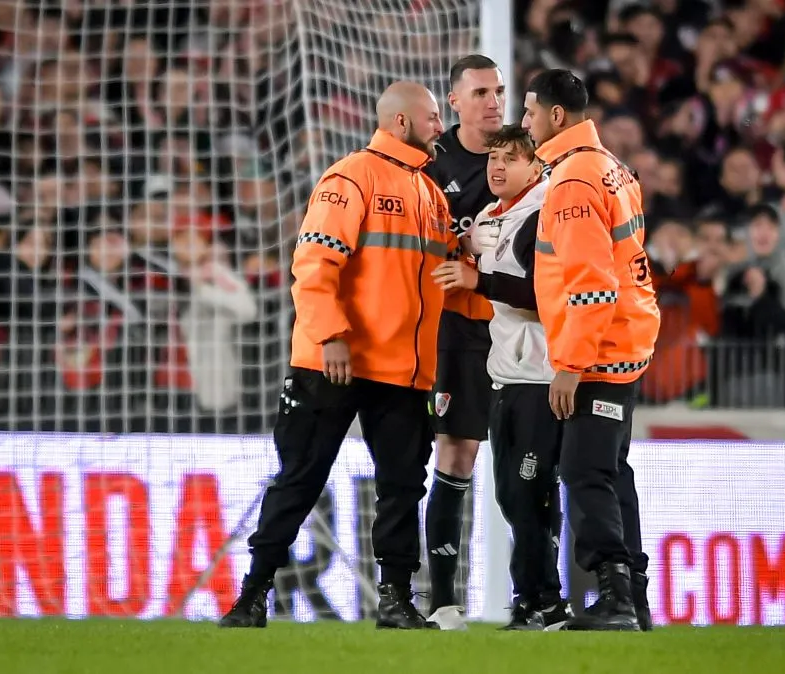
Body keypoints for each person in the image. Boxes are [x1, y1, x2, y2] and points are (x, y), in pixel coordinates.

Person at [219, 81, 472, 630]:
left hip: (403, 371)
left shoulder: (430, 194)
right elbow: (313, 265)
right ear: (401, 123)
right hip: (335, 361)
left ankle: (396, 599)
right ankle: (252, 595)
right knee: (302, 479)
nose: (438, 128)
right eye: (432, 117)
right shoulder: (351, 176)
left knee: (403, 487)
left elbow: (443, 274)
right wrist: (331, 334)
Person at [522, 68, 661, 632]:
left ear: (557, 116)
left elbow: (593, 285)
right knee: (609, 469)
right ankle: (636, 594)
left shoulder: (574, 182)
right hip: (626, 341)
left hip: (599, 350)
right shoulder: (612, 168)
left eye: (530, 112)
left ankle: (615, 595)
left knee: (583, 469)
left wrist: (570, 365)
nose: (524, 122)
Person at [432, 124, 573, 631]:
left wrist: (479, 279)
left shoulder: (544, 214)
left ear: (536, 167)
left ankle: (546, 601)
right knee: (512, 494)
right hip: (506, 375)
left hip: (542, 376)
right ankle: (533, 601)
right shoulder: (496, 217)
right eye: (493, 159)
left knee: (528, 491)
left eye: (510, 159)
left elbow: (544, 294)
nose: (496, 168)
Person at [421, 54, 503, 630]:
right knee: (457, 454)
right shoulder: (432, 164)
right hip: (457, 327)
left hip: (519, 325)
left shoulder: (524, 159)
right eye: (479, 92)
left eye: (498, 90)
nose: (492, 101)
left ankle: (538, 598)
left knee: (536, 458)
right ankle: (444, 598)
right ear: (454, 102)